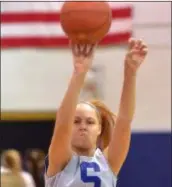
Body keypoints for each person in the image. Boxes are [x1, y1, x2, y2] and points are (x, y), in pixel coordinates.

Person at [44, 38, 148, 187]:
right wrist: (79, 73)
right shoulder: (61, 160)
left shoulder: (108, 162)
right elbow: (61, 125)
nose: (83, 126)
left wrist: (130, 72)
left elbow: (124, 121)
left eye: (90, 122)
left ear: (99, 128)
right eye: (76, 121)